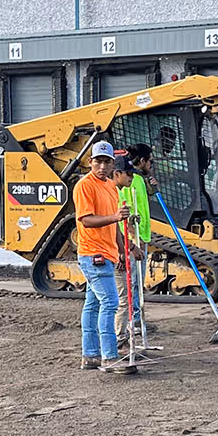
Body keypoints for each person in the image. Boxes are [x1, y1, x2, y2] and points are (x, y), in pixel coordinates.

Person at [73, 143, 130, 374]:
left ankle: (91, 356)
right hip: (93, 253)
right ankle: (109, 356)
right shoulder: (85, 186)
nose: (102, 166)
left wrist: (124, 248)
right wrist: (115, 216)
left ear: (112, 164)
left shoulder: (110, 186)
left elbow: (114, 224)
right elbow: (85, 219)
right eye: (98, 161)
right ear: (90, 162)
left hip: (106, 253)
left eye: (107, 162)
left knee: (94, 303)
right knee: (110, 303)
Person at [112, 155, 154, 348]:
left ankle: (131, 324)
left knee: (134, 287)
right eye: (127, 174)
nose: (131, 177)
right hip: (125, 245)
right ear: (117, 174)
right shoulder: (114, 191)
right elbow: (117, 225)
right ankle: (119, 335)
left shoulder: (136, 181)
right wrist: (127, 247)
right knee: (123, 295)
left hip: (138, 237)